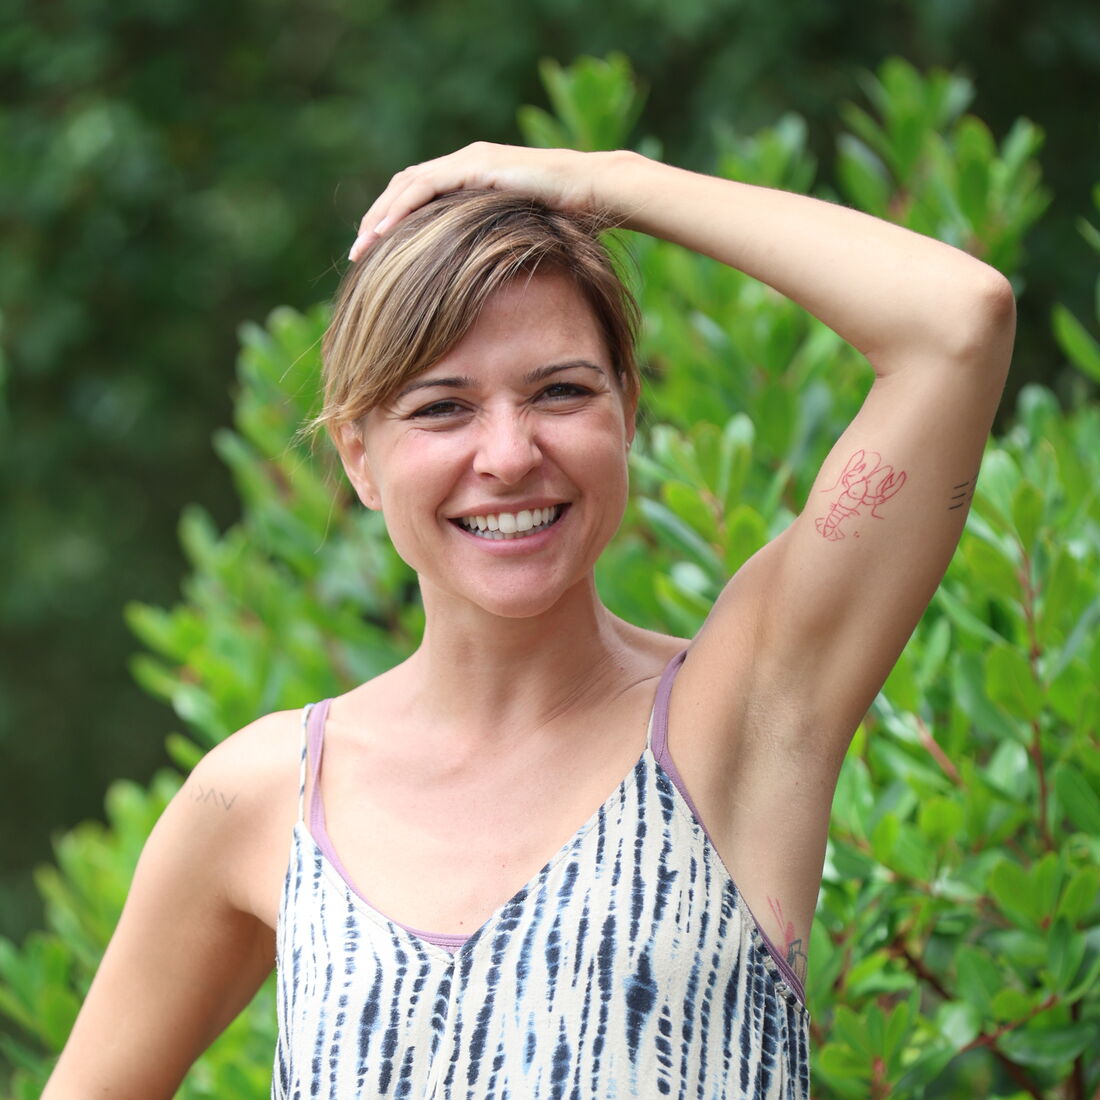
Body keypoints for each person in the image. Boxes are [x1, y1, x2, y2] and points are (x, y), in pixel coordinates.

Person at [43, 143, 1014, 1100]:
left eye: (560, 391)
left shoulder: (742, 715)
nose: (508, 455)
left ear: (626, 410)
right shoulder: (265, 797)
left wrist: (606, 181)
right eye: (441, 408)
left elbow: (955, 322)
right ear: (359, 457)